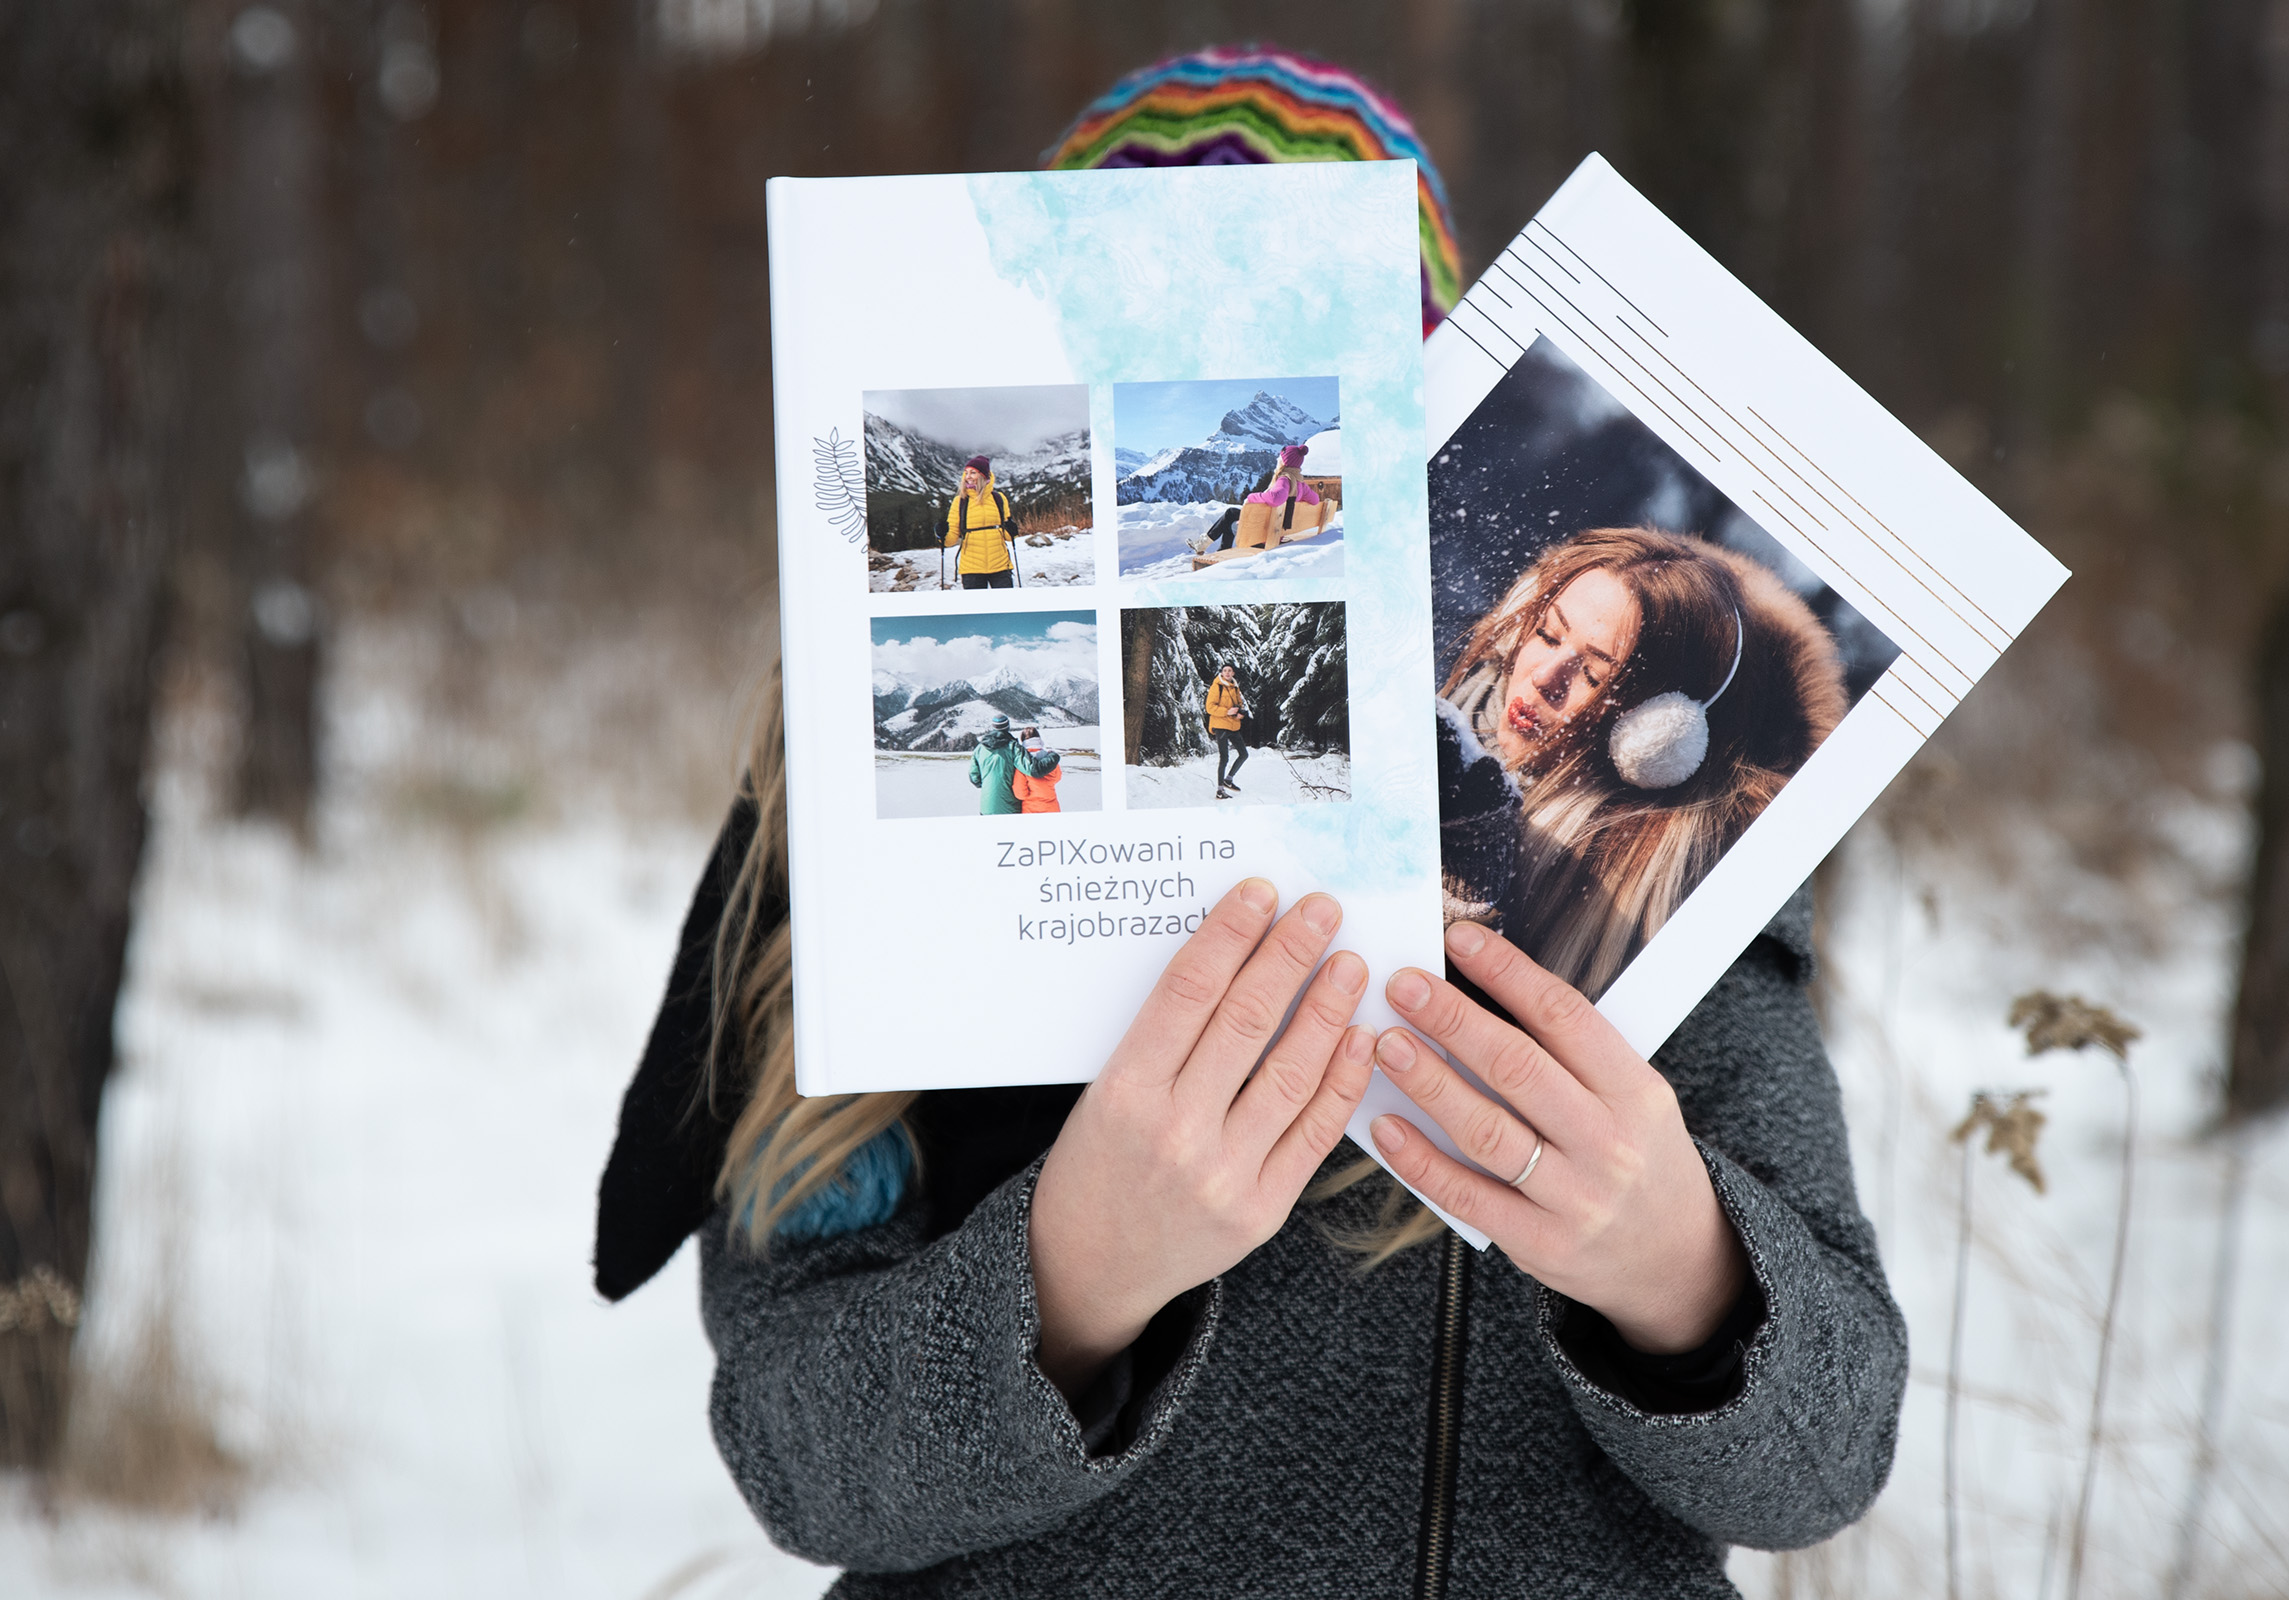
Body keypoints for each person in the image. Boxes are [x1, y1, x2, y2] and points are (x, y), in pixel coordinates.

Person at [592, 49, 1901, 1600]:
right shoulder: (868, 857)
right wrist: (1077, 1274)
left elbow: (1829, 1455)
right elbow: (802, 1461)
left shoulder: (1640, 885)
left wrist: (1672, 1264)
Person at [1436, 526, 1849, 999]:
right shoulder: (1447, 718)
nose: (1546, 677)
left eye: (1592, 673)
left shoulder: (1677, 923)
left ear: (1658, 733)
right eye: (1548, 634)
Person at [944, 457, 1018, 590]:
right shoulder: (960, 501)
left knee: (1005, 607)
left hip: (1000, 565)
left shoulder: (999, 498)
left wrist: (1013, 530)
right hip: (971, 568)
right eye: (966, 473)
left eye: (973, 472)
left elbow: (1008, 536)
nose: (968, 477)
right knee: (976, 608)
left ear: (983, 475)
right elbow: (951, 538)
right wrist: (942, 536)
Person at [968, 712, 1049, 815]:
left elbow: (974, 778)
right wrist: (1052, 757)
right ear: (1007, 727)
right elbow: (1031, 770)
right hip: (1010, 808)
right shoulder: (1013, 747)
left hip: (986, 807)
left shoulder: (979, 749)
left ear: (993, 727)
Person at [1245, 442, 1324, 537]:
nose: (1277, 459)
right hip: (1278, 530)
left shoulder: (1284, 479)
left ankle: (1223, 548)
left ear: (1284, 462)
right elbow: (1315, 500)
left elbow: (1276, 499)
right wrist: (1296, 499)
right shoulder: (1300, 483)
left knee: (1230, 514)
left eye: (1280, 458)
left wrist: (1251, 497)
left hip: (1266, 532)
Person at [1203, 663, 1247, 798]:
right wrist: (1227, 711)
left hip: (1233, 725)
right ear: (1222, 673)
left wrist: (1241, 713)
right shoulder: (1216, 687)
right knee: (1224, 758)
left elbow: (1240, 704)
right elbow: (1209, 708)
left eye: (1230, 671)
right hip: (1220, 725)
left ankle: (1228, 780)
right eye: (1225, 670)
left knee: (1244, 754)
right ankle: (1220, 791)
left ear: (1233, 673)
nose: (1227, 673)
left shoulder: (1235, 687)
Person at [1012, 726, 1064, 814]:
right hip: (1051, 807)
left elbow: (1020, 793)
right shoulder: (1050, 759)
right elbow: (1057, 777)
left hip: (1031, 809)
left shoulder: (1024, 763)